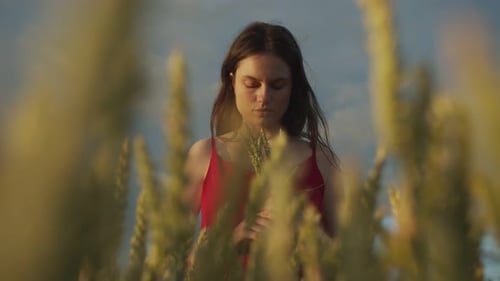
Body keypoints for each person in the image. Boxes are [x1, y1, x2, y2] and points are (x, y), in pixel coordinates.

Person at [184, 21, 339, 257]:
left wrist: (308, 232)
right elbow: (168, 262)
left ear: (293, 87)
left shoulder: (322, 162)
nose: (264, 96)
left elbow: (355, 263)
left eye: (277, 85)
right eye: (251, 84)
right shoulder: (204, 155)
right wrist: (229, 242)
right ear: (232, 80)